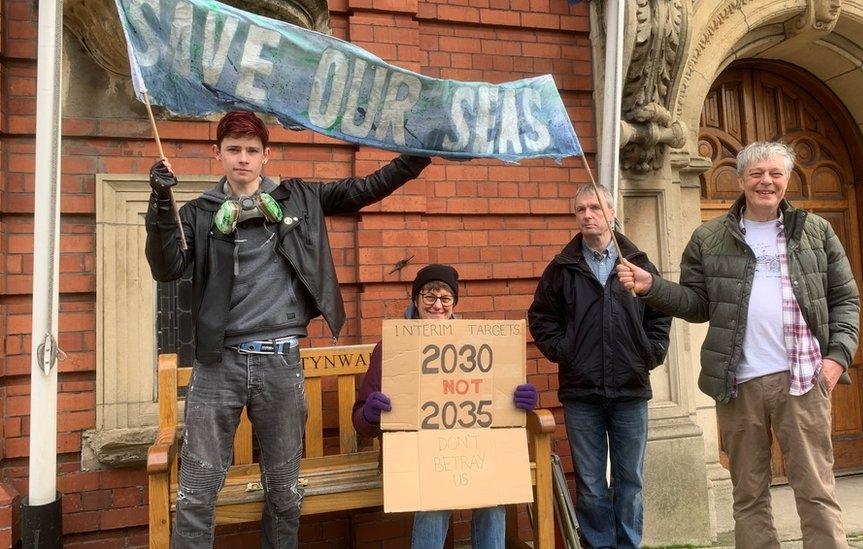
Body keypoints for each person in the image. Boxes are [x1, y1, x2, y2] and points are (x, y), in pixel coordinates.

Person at [144, 110, 431, 548]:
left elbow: (366, 188)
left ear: (266, 155)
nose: (243, 158)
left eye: (252, 151)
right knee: (197, 493)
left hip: (280, 363)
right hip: (217, 368)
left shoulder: (297, 199)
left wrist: (420, 153)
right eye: (234, 149)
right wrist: (161, 204)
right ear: (217, 153)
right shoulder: (200, 213)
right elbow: (166, 268)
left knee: (284, 492)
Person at [617, 141, 860, 548]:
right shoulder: (709, 238)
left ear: (787, 179)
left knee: (816, 489)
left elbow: (845, 299)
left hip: (802, 379)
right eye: (757, 173)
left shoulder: (815, 231)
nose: (766, 181)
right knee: (748, 494)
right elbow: (697, 305)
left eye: (775, 174)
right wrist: (651, 287)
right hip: (738, 382)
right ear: (741, 178)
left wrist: (836, 359)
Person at [352, 263, 539, 549]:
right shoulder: (391, 346)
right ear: (415, 301)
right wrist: (369, 413)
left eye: (445, 297)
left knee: (493, 497)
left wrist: (517, 400)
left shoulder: (475, 345)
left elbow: (493, 398)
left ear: (454, 304)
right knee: (433, 501)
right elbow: (361, 421)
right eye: (428, 296)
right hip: (415, 454)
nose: (437, 305)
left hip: (470, 448)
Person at [527, 184, 671, 549]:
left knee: (630, 483)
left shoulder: (636, 262)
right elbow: (541, 318)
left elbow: (661, 313)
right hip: (582, 392)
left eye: (594, 208)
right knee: (591, 485)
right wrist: (566, 351)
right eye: (580, 210)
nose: (587, 215)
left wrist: (649, 352)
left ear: (611, 212)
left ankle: (629, 545)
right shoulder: (563, 267)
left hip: (630, 389)